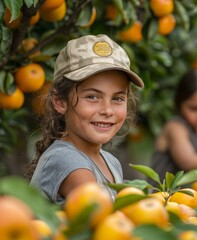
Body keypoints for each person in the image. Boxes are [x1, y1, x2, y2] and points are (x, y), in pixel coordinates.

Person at [27, 34, 144, 204]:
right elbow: (102, 217)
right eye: (92, 97)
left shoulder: (111, 162)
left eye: (117, 98)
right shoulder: (66, 160)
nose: (107, 110)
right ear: (60, 102)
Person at [150, 70, 197, 180]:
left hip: (194, 197)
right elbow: (189, 161)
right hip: (161, 196)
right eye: (193, 109)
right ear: (180, 104)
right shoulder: (175, 127)